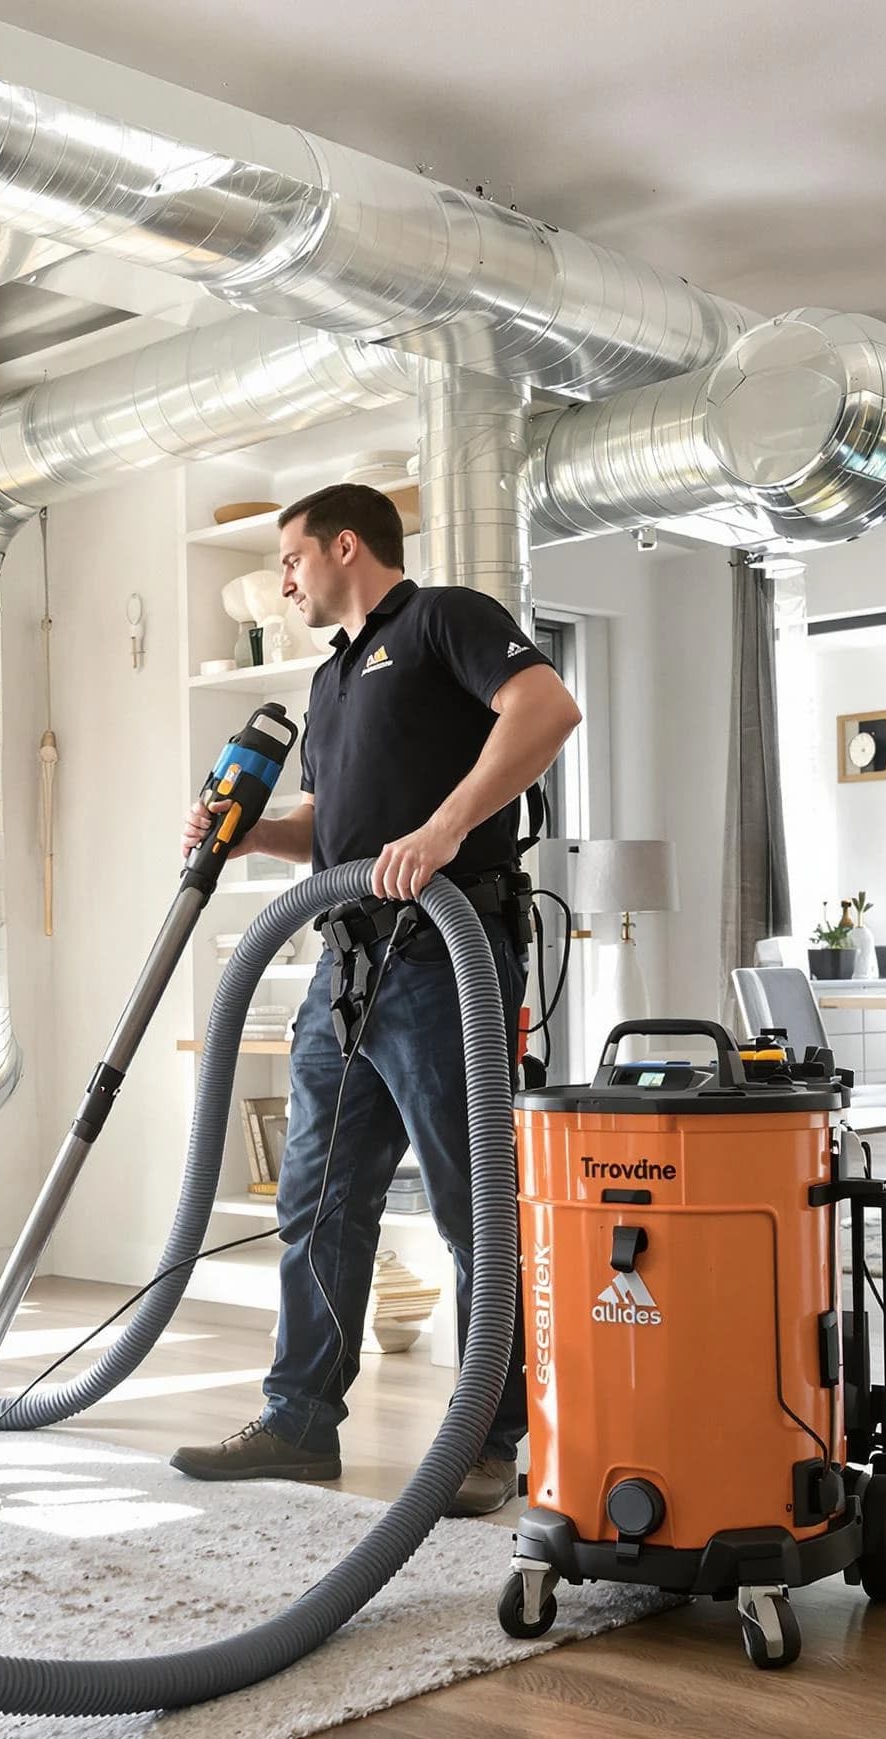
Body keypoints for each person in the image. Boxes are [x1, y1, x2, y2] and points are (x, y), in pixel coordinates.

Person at [169, 483, 582, 1516]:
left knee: (470, 1203)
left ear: (343, 545)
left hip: (447, 959)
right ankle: (300, 1420)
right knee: (316, 1196)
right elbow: (341, 826)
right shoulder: (330, 677)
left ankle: (491, 1439)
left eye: (292, 560)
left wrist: (442, 832)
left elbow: (546, 708)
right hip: (344, 966)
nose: (285, 581)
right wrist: (253, 834)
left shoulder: (443, 618)